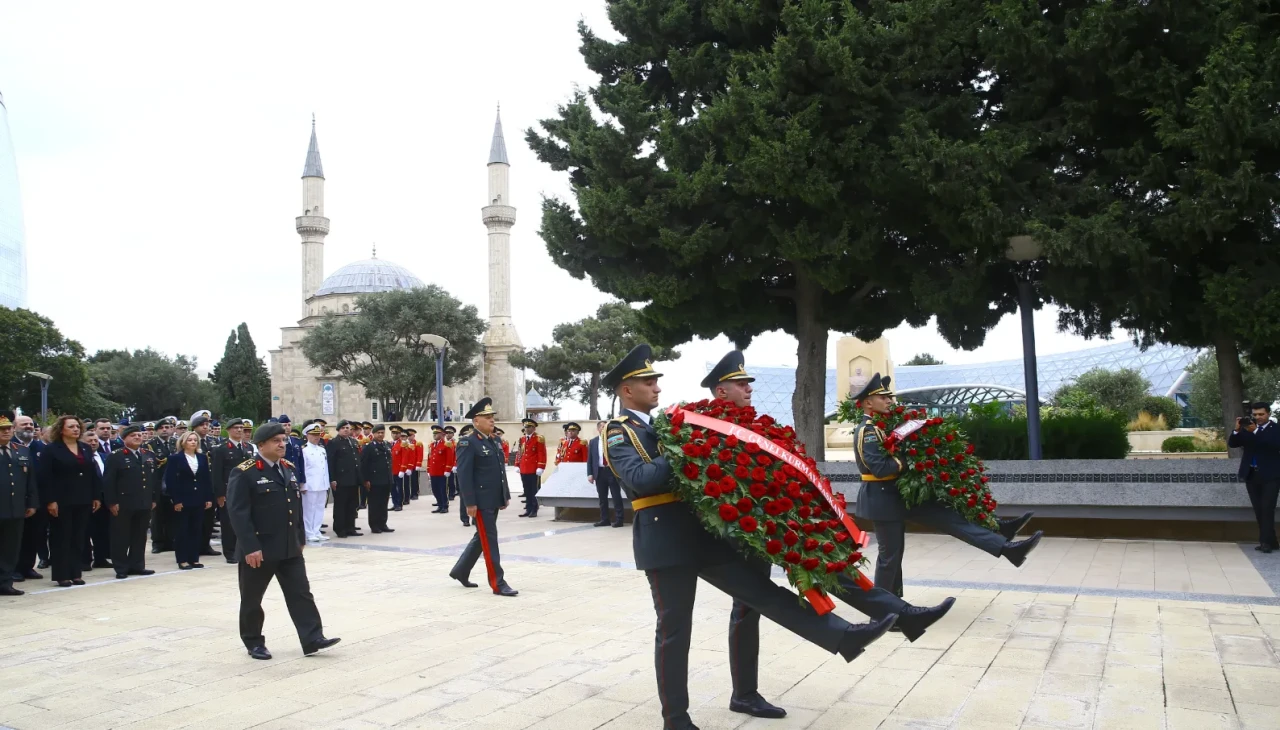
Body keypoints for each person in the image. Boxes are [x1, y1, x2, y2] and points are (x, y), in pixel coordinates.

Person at [604, 345, 894, 730]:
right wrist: (685, 443)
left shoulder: (662, 426)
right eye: (647, 381)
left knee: (763, 593)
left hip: (702, 536)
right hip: (664, 541)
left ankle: (845, 638)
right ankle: (676, 719)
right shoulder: (618, 431)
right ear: (626, 390)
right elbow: (640, 481)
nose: (656, 386)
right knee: (675, 631)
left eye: (656, 379)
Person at [704, 351, 956, 718]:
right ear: (720, 391)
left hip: (775, 520)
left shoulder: (755, 423)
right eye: (740, 384)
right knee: (748, 608)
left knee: (830, 567)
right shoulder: (708, 425)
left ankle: (903, 614)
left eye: (748, 383)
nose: (748, 388)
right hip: (743, 530)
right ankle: (744, 693)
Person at [853, 373, 1042, 597]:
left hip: (898, 495)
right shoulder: (868, 431)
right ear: (868, 403)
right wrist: (911, 460)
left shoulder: (882, 426)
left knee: (948, 515)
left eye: (888, 397)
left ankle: (1005, 544)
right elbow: (881, 468)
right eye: (883, 397)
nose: (889, 401)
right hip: (882, 499)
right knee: (890, 557)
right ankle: (885, 609)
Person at [227, 422, 339, 660]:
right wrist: (250, 547)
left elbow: (294, 506)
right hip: (260, 548)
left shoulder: (287, 468)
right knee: (252, 599)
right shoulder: (245, 472)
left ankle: (312, 638)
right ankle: (254, 642)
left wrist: (299, 537)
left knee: (301, 593)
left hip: (289, 546)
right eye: (276, 441)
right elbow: (238, 513)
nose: (282, 444)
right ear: (261, 445)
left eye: (284, 440)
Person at [448, 398, 517, 596]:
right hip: (480, 502)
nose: (491, 420)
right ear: (476, 421)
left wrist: (504, 496)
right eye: (487, 417)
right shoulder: (467, 443)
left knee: (482, 537)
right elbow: (464, 475)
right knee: (490, 539)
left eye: (492, 417)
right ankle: (498, 583)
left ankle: (461, 570)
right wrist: (469, 502)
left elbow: (499, 471)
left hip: (493, 498)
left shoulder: (493, 440)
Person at [38, 415, 101, 587]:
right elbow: (45, 477)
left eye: (77, 426)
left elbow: (92, 473)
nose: (76, 429)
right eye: (71, 426)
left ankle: (76, 572)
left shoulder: (85, 448)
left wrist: (96, 496)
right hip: (61, 500)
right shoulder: (51, 449)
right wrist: (50, 500)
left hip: (83, 499)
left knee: (78, 537)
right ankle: (61, 574)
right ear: (61, 429)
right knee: (61, 537)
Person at [102, 424, 160, 579]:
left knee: (139, 536)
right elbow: (108, 481)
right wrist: (111, 502)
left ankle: (137, 565)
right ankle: (121, 567)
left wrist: (154, 498)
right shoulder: (116, 456)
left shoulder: (148, 454)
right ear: (124, 438)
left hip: (144, 501)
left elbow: (153, 479)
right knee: (121, 536)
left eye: (139, 435)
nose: (137, 437)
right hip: (123, 502)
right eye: (133, 435)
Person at [1229, 402, 1280, 553]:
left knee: (1267, 508)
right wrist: (1237, 430)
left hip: (1271, 475)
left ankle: (1265, 542)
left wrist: (1256, 431)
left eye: (1261, 414)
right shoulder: (1248, 429)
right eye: (1255, 414)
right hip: (1251, 474)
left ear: (1268, 414)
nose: (1258, 417)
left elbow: (1273, 444)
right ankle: (1273, 542)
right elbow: (1233, 444)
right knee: (1259, 509)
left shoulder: (1275, 429)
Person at [0, 413, 39, 596]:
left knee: (11, 548)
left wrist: (32, 503)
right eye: (2, 429)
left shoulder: (21, 450)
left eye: (8, 428)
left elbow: (30, 480)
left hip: (16, 508)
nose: (6, 432)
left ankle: (6, 582)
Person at [165, 431, 213, 570]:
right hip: (183, 498)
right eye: (189, 440)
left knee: (196, 529)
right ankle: (182, 559)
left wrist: (208, 497)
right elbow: (171, 480)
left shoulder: (202, 458)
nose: (193, 442)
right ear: (183, 442)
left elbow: (206, 479)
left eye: (195, 440)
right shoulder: (175, 458)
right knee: (182, 530)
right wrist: (176, 500)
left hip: (198, 498)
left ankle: (194, 558)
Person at [212, 419, 252, 564]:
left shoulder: (248, 447)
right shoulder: (221, 449)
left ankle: (241, 549)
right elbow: (216, 474)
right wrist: (220, 494)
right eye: (236, 428)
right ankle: (230, 552)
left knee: (244, 521)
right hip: (229, 491)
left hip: (246, 490)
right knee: (228, 523)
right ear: (228, 430)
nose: (240, 430)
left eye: (241, 428)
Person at [13, 415, 48, 579]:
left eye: (31, 424)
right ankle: (13, 569)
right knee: (14, 537)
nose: (28, 426)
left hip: (38, 499)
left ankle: (27, 566)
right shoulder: (10, 445)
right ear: (15, 427)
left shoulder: (41, 447)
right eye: (24, 424)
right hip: (15, 499)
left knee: (33, 534)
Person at [85, 418, 114, 569]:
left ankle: (100, 558)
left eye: (95, 441)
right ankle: (85, 560)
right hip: (87, 499)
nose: (93, 442)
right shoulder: (82, 458)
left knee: (102, 531)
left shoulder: (104, 457)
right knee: (85, 531)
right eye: (90, 440)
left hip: (104, 499)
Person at [325, 420, 363, 538]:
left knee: (352, 505)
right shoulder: (334, 443)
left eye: (348, 428)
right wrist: (332, 479)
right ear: (338, 430)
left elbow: (357, 460)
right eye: (343, 428)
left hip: (353, 479)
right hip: (341, 480)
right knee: (341, 506)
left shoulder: (352, 441)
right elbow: (331, 462)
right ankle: (340, 529)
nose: (346, 430)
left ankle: (350, 527)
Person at [147, 417, 177, 553]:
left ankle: (170, 541)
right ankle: (157, 543)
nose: (165, 430)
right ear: (156, 430)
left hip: (173, 483)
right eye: (161, 428)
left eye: (167, 427)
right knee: (157, 515)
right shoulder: (150, 445)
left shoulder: (175, 443)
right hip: (157, 483)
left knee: (172, 514)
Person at [587, 420, 624, 528]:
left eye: (606, 426)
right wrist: (590, 474)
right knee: (602, 498)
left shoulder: (613, 440)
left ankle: (619, 519)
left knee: (616, 496)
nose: (604, 428)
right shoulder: (593, 442)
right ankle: (604, 519)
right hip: (599, 472)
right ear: (598, 429)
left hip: (612, 471)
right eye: (602, 427)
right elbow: (590, 459)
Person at [360, 424, 395, 534]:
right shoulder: (369, 447)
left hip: (386, 479)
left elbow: (389, 462)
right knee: (374, 503)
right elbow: (364, 464)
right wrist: (366, 480)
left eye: (382, 432)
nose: (380, 434)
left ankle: (383, 523)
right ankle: (374, 525)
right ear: (374, 434)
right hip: (374, 480)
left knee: (384, 503)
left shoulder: (387, 445)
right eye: (378, 433)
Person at [300, 423, 329, 543]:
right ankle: (309, 532)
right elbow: (304, 469)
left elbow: (325, 468)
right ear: (307, 435)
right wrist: (303, 485)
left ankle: (316, 531)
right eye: (313, 435)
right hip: (310, 485)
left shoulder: (322, 450)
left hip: (321, 484)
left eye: (318, 435)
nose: (317, 437)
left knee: (319, 509)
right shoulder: (304, 450)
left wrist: (326, 483)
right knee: (308, 510)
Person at [516, 418, 546, 518]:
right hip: (524, 468)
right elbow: (520, 452)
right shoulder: (522, 439)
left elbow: (541, 453)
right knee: (526, 490)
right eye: (525, 427)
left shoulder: (538, 438)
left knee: (533, 490)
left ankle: (534, 509)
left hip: (533, 468)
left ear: (533, 428)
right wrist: (517, 464)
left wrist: (541, 466)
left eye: (528, 427)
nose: (526, 429)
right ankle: (528, 509)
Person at [427, 425, 453, 513]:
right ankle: (439, 504)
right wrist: (428, 470)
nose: (434, 435)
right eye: (434, 433)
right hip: (433, 471)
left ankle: (445, 506)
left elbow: (450, 458)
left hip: (441, 471)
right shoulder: (432, 445)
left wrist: (448, 469)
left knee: (442, 489)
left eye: (436, 433)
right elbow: (430, 458)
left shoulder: (446, 444)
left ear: (442, 434)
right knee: (435, 489)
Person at [391, 429, 413, 512]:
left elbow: (405, 457)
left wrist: (403, 469)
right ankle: (395, 503)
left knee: (399, 488)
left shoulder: (403, 444)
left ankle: (399, 504)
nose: (395, 435)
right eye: (393, 433)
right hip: (392, 470)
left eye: (397, 433)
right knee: (392, 488)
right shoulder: (390, 444)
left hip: (399, 470)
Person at [408, 428, 424, 501]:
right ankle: (408, 494)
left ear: (414, 436)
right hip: (407, 466)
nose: (409, 437)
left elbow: (420, 455)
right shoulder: (405, 444)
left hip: (414, 465)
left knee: (414, 480)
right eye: (408, 435)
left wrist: (418, 464)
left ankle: (415, 493)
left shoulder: (418, 444)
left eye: (411, 435)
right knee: (407, 481)